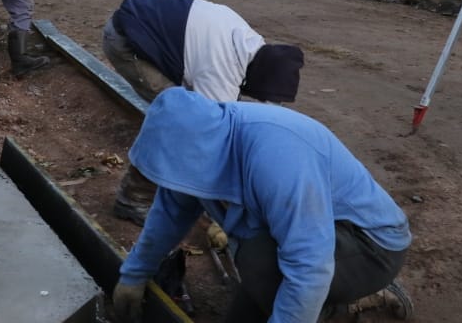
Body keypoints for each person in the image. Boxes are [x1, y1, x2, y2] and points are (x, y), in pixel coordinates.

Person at [110, 87, 412, 323]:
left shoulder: (277, 157)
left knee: (256, 257)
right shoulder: (199, 145)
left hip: (371, 245)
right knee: (251, 292)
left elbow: (309, 266)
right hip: (318, 236)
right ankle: (316, 301)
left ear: (198, 153)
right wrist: (134, 275)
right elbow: (170, 212)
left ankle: (340, 304)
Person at [102, 0, 305, 223]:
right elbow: (213, 137)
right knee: (181, 122)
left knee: (197, 118)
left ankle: (169, 187)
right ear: (258, 79)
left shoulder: (249, 45)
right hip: (126, 41)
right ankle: (133, 199)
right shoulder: (222, 68)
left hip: (138, 28)